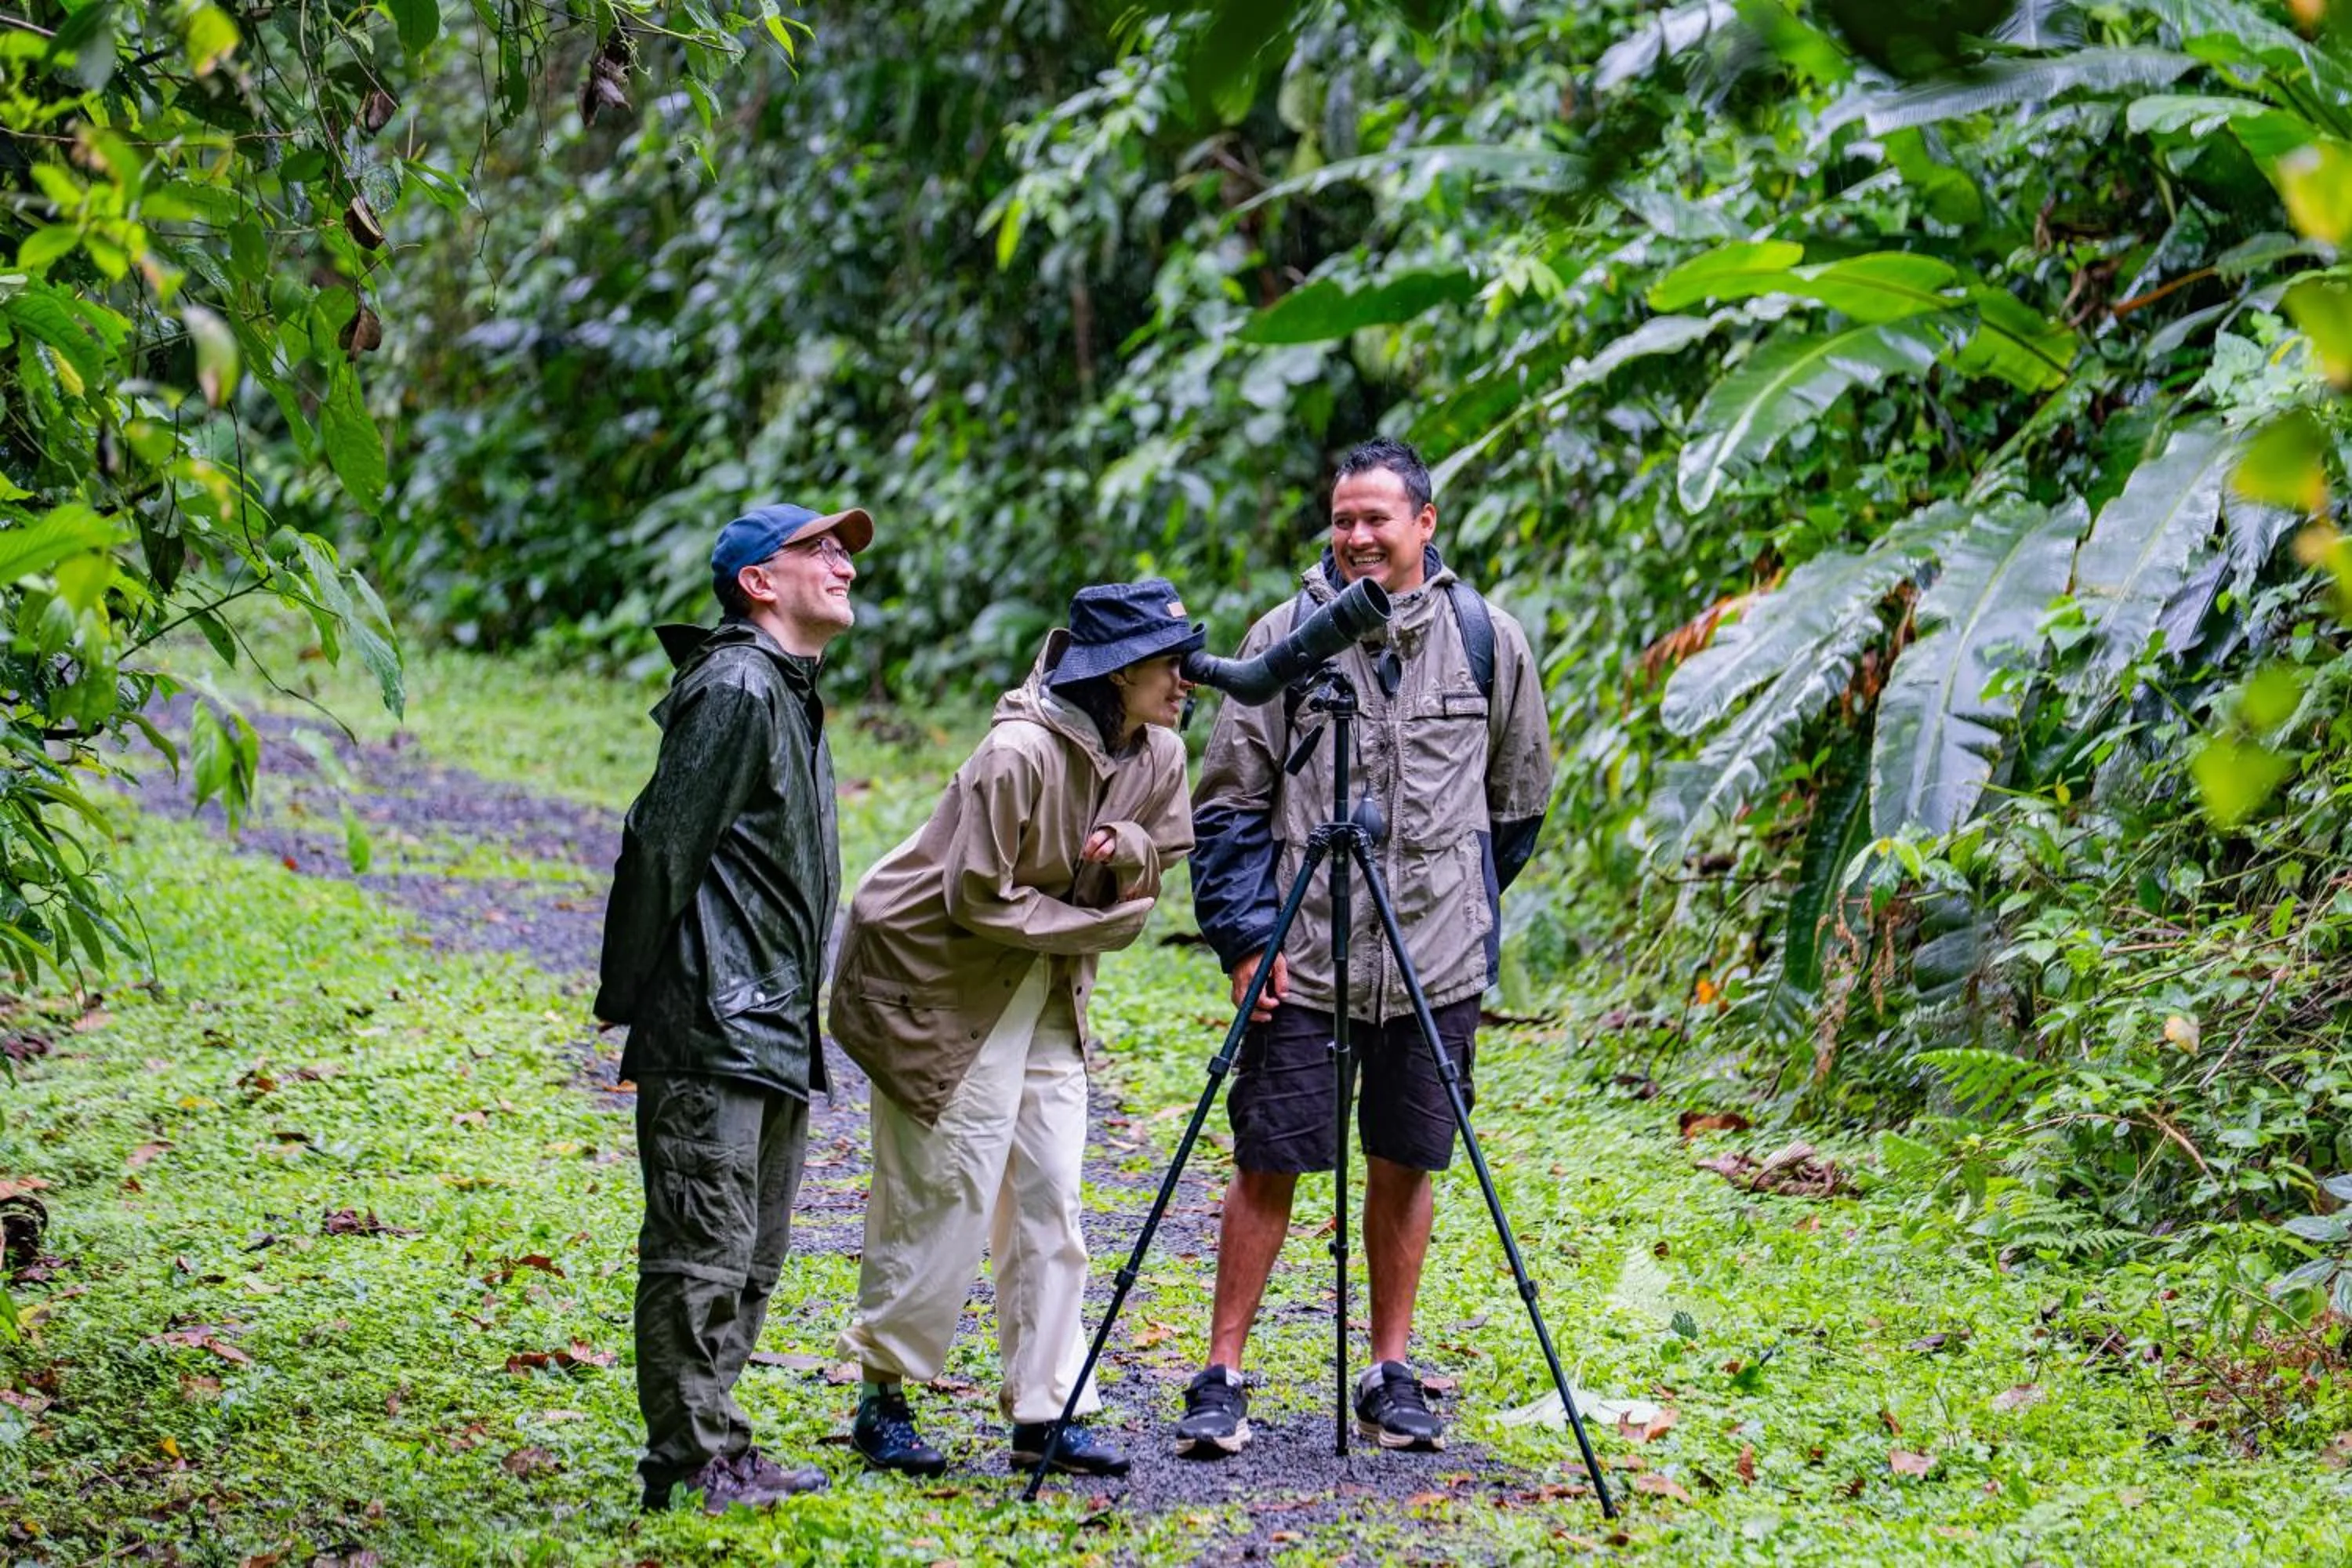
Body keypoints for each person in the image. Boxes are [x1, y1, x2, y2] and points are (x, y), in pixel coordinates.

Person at [1181, 437, 1555, 1457]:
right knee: (1271, 1157)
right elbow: (1225, 810)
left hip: (1435, 965)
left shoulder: (1487, 639)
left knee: (1407, 1159)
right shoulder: (1286, 635)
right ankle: (1221, 1374)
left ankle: (1391, 1372)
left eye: (1375, 518)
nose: (1355, 536)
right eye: (1342, 518)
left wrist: (1449, 900)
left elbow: (1516, 805)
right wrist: (1247, 942)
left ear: (1424, 524)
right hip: (1303, 957)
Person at [829, 579, 1200, 1479]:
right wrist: (1101, 920)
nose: (1186, 676)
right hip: (943, 977)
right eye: (1168, 660)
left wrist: (1127, 850)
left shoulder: (1160, 749)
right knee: (941, 1190)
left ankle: (1048, 1408)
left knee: (1051, 1191)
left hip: (1046, 984)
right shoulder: (1019, 751)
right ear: (1117, 673)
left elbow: (1165, 844)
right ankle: (884, 1394)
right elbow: (973, 896)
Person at [593, 500, 873, 1513]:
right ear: (760, 581)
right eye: (818, 549)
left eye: (845, 549)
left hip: (768, 1023)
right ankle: (690, 1457)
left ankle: (718, 1441)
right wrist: (629, 997)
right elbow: (661, 844)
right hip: (714, 1019)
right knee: (700, 1249)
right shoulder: (739, 686)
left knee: (749, 1250)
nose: (842, 563)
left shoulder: (787, 689)